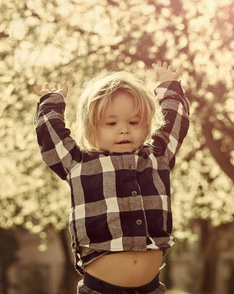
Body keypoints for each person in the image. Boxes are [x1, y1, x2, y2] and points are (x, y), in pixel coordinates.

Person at [33, 61, 190, 294]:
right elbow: (51, 139)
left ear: (146, 124)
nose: (124, 129)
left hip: (151, 288)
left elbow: (174, 122)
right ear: (92, 128)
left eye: (134, 122)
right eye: (111, 123)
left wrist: (169, 85)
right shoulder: (79, 163)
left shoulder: (157, 156)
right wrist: (52, 101)